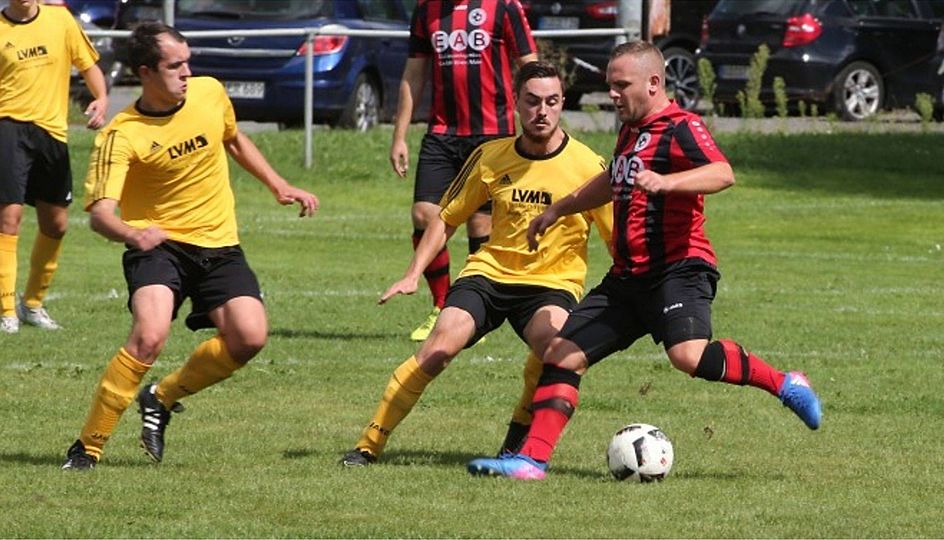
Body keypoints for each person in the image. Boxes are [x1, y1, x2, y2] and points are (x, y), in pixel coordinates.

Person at [467, 41, 823, 480]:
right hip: (627, 277)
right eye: (610, 86)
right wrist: (558, 209)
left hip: (678, 268)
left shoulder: (681, 126)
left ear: (654, 83)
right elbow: (612, 178)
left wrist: (667, 182)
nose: (613, 95)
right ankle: (531, 460)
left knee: (688, 357)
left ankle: (786, 383)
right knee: (561, 353)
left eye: (621, 86)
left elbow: (722, 172)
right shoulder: (631, 129)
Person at [61, 22, 319, 470]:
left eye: (188, 62)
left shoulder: (209, 92)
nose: (187, 72)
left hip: (219, 243)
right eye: (175, 65)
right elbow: (101, 213)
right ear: (145, 72)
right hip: (159, 247)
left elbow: (233, 138)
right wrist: (133, 234)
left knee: (249, 336)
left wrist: (279, 185)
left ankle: (161, 397)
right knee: (149, 336)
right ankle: (88, 447)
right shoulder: (123, 135)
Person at [341, 61, 613, 467]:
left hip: (551, 283)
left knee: (553, 349)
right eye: (533, 101)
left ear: (562, 104)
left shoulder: (589, 167)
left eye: (552, 102)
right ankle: (368, 444)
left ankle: (515, 443)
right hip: (488, 275)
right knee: (438, 348)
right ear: (516, 103)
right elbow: (447, 218)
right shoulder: (490, 156)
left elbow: (619, 238)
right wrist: (413, 273)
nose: (543, 111)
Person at [393, 0, 537, 341]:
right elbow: (414, 74)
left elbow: (531, 67)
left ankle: (476, 312)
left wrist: (535, 122)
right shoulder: (426, 10)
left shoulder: (504, 7)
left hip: (493, 133)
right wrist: (399, 135)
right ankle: (442, 306)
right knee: (424, 214)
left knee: (480, 221)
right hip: (443, 133)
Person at [0, 0, 108, 333]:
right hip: (8, 128)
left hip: (52, 133)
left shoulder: (61, 20)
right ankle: (7, 313)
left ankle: (32, 305)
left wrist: (101, 97)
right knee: (8, 218)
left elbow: (89, 65)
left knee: (56, 224)